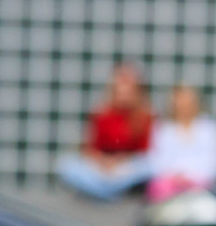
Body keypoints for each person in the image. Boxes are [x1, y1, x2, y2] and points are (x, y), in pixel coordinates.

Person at [57, 62, 156, 200]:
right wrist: (104, 162)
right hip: (103, 167)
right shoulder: (101, 114)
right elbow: (91, 149)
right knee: (67, 165)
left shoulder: (146, 117)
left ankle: (102, 192)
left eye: (128, 92)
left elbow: (147, 152)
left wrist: (121, 161)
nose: (124, 97)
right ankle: (108, 192)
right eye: (120, 91)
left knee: (150, 167)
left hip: (129, 167)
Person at [144, 84, 216, 202]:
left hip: (200, 184)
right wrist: (175, 177)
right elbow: (156, 160)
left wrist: (192, 177)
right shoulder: (164, 128)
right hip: (169, 184)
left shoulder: (209, 128)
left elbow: (214, 161)